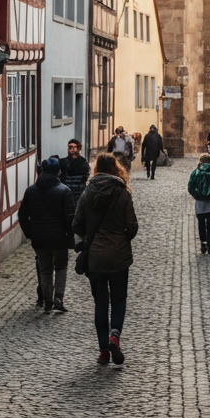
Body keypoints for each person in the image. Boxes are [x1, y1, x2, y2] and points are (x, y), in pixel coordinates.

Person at [73, 153, 139, 365]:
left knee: (100, 303)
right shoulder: (122, 193)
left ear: (96, 169)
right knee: (119, 300)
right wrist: (122, 237)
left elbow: (77, 224)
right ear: (116, 169)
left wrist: (88, 237)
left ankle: (103, 351)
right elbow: (133, 226)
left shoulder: (87, 193)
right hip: (119, 257)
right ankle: (114, 336)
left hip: (95, 258)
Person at [18, 156, 76, 313]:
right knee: (61, 267)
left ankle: (47, 302)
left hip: (40, 238)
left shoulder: (31, 191)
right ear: (58, 172)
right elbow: (70, 218)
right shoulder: (64, 191)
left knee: (45, 269)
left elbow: (22, 216)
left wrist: (30, 233)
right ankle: (58, 298)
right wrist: (71, 239)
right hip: (59, 238)